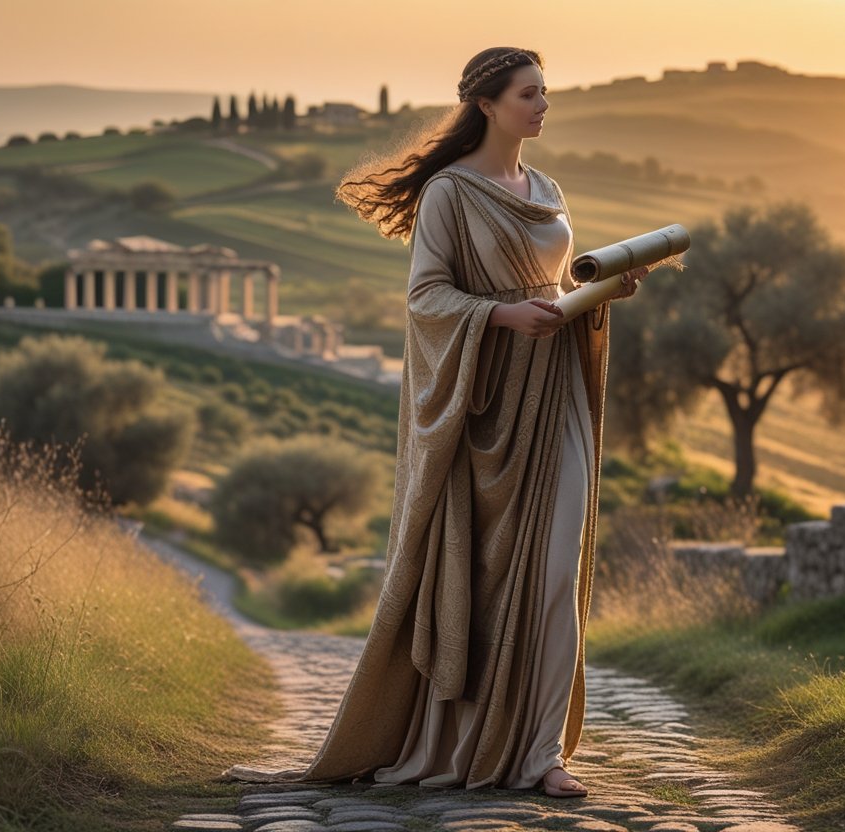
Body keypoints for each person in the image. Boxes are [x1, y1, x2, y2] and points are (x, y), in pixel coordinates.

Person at [218, 46, 648, 799]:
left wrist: (604, 292)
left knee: (554, 574)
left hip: (555, 397)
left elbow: (551, 286)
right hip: (482, 407)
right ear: (487, 103)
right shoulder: (450, 194)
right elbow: (427, 300)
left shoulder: (547, 187)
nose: (542, 105)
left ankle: (541, 753)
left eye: (545, 93)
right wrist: (502, 314)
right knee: (480, 583)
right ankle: (467, 745)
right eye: (528, 94)